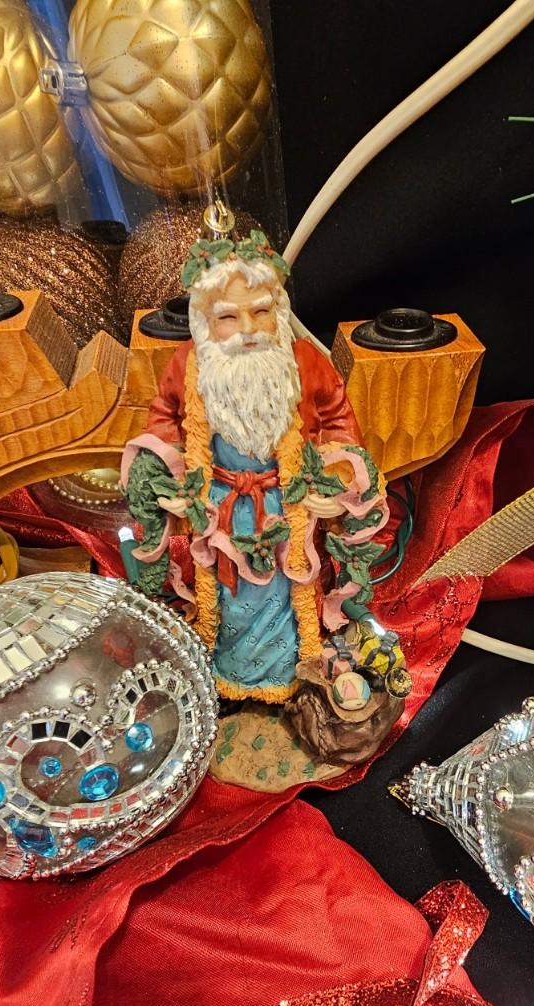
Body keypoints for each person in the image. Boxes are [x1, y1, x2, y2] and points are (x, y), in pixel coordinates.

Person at [122, 231, 391, 704]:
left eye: (260, 311)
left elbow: (337, 419)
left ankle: (291, 671)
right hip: (222, 507)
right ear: (206, 321)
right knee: (230, 595)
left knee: (291, 586)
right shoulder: (189, 364)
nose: (248, 328)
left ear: (278, 311)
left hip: (288, 505)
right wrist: (169, 479)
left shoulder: (303, 361)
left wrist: (336, 480)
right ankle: (230, 674)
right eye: (229, 316)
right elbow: (164, 418)